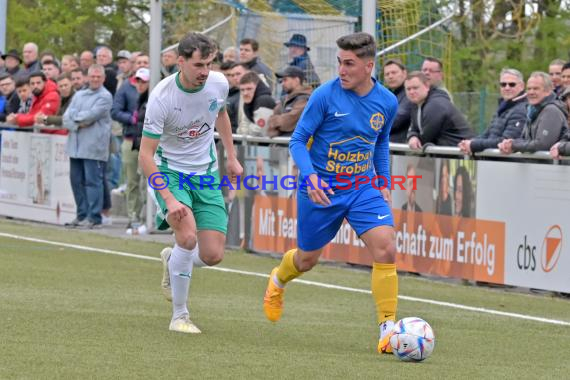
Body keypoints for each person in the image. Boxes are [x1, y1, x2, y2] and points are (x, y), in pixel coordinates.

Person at [262, 32, 399, 355]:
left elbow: (379, 143)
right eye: (339, 62)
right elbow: (297, 141)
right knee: (307, 259)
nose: (341, 70)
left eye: (349, 63)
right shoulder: (324, 95)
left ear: (368, 65)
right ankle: (278, 281)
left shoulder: (387, 101)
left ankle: (388, 329)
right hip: (321, 189)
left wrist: (383, 182)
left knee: (386, 248)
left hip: (362, 187)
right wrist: (310, 178)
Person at [138, 32, 243, 334]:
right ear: (180, 62)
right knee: (187, 237)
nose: (204, 71)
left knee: (212, 255)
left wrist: (231, 157)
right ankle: (179, 316)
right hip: (171, 172)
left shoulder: (218, 83)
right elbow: (146, 155)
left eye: (209, 64)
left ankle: (174, 261)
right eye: (198, 64)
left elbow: (220, 113)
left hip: (207, 173)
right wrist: (169, 199)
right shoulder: (162, 96)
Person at [62, 64, 113, 229]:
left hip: (94, 148)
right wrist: (77, 122)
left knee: (93, 182)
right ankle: (81, 215)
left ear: (103, 78)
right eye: (93, 76)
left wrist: (74, 119)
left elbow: (91, 116)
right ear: (87, 77)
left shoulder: (105, 96)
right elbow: (65, 117)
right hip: (75, 147)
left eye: (99, 76)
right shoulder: (79, 95)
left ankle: (94, 217)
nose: (95, 79)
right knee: (76, 181)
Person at [458, 68, 527, 154]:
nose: (507, 87)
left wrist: (473, 145)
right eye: (503, 84)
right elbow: (487, 135)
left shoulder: (521, 110)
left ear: (522, 86)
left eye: (512, 84)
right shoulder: (503, 107)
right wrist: (468, 143)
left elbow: (505, 142)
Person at [498, 72, 567, 154]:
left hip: (551, 166)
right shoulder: (532, 110)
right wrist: (510, 143)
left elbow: (543, 145)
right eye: (529, 89)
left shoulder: (551, 110)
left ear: (548, 91)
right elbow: (525, 140)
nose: (531, 92)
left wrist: (514, 145)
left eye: (536, 88)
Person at [405, 71, 474, 148]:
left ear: (427, 86)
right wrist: (412, 136)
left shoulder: (435, 104)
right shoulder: (417, 103)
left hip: (460, 153)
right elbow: (414, 127)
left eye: (415, 88)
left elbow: (427, 136)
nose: (411, 92)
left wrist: (415, 139)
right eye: (408, 89)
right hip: (444, 153)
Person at [268, 66, 312, 137]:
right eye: (282, 81)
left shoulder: (305, 99)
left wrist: (276, 123)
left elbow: (288, 121)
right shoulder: (285, 99)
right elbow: (270, 120)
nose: (282, 83)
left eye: (285, 80)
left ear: (297, 80)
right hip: (280, 145)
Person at [383, 59, 412, 143]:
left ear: (404, 73)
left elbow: (396, 120)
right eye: (387, 74)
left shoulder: (410, 93)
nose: (390, 76)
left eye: (394, 72)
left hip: (402, 149)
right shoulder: (388, 95)